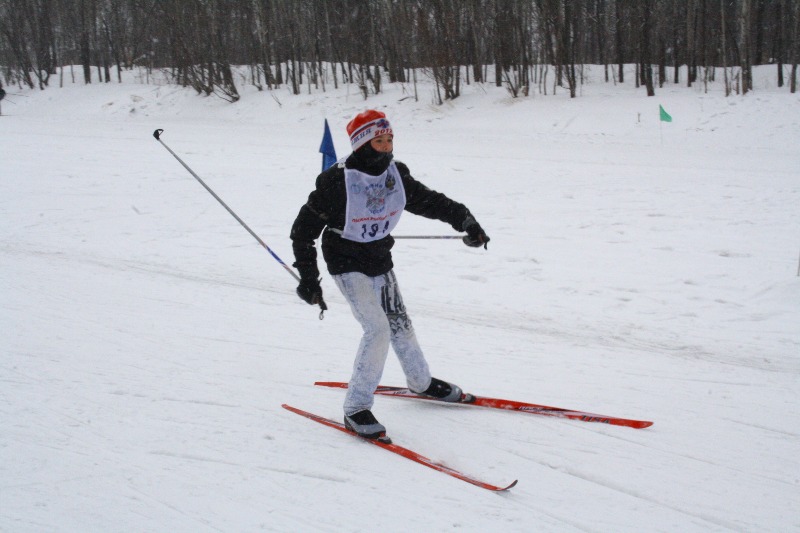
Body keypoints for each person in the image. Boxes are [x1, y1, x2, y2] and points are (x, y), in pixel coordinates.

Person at [290, 109, 490, 440]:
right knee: (378, 329)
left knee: (400, 325)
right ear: (361, 144)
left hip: (379, 258)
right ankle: (356, 408)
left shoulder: (395, 175)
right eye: (378, 141)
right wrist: (309, 279)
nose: (386, 147)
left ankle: (420, 382)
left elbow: (431, 202)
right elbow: (302, 232)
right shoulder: (336, 183)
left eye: (389, 140)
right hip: (345, 261)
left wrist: (466, 221)